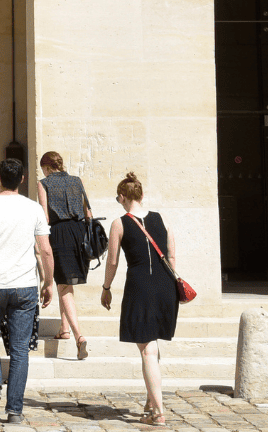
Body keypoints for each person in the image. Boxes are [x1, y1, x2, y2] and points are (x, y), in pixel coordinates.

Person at [0, 159, 54, 424]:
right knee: (19, 349)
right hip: (24, 284)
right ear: (22, 179)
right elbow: (45, 249)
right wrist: (49, 282)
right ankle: (14, 410)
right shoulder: (34, 208)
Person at [100, 172, 179, 427]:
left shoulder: (119, 223)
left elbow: (112, 261)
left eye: (118, 198)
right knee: (152, 347)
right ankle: (150, 403)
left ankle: (158, 412)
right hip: (165, 286)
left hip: (140, 286)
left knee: (147, 350)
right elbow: (172, 256)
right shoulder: (162, 218)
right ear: (142, 195)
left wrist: (106, 287)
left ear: (123, 197)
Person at [37, 151, 92, 359]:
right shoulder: (77, 180)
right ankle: (64, 328)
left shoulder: (44, 183)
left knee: (64, 285)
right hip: (79, 232)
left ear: (46, 167)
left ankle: (79, 336)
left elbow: (45, 215)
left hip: (59, 232)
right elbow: (88, 213)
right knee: (65, 282)